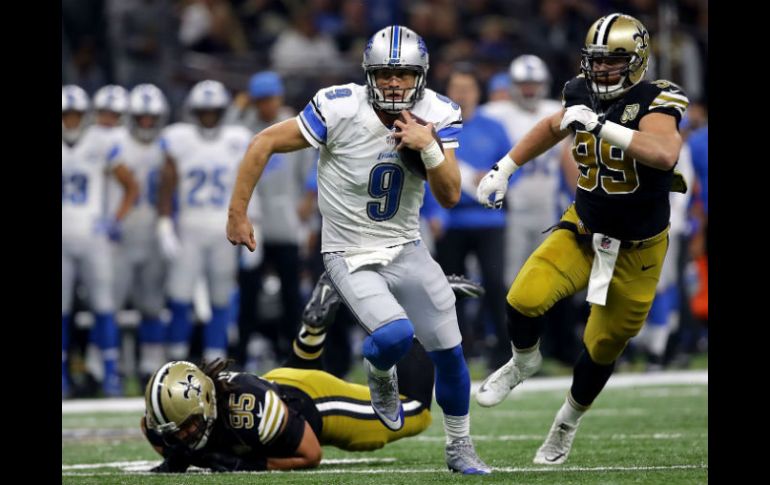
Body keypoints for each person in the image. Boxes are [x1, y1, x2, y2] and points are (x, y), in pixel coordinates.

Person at [226, 25, 490, 474]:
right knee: (393, 337)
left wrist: (428, 148)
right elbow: (264, 141)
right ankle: (380, 374)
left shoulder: (438, 113)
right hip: (347, 251)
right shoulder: (339, 107)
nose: (394, 83)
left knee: (450, 352)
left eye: (403, 74)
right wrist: (238, 212)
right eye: (385, 73)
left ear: (420, 75)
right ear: (369, 74)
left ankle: (460, 446)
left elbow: (449, 195)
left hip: (407, 246)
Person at [475, 13, 689, 465]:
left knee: (602, 346)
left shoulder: (659, 97)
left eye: (613, 61)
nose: (602, 70)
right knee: (522, 298)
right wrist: (505, 167)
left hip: (639, 249)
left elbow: (664, 153)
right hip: (584, 229)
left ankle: (567, 422)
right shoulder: (579, 91)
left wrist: (600, 126)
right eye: (596, 61)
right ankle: (522, 361)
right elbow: (555, 126)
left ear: (636, 60)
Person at [142, 272, 485, 473]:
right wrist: (189, 453)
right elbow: (154, 432)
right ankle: (312, 329)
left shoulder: (248, 413)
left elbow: (309, 454)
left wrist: (243, 464)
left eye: (187, 427)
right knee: (288, 387)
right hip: (282, 382)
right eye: (178, 429)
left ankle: (419, 303)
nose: (183, 435)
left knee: (415, 412)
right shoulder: (171, 423)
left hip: (315, 404)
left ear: (206, 403)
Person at [156, 80, 256, 364]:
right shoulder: (179, 139)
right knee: (179, 295)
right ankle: (175, 360)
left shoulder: (237, 139)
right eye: (204, 110)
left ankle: (217, 361)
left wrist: (252, 224)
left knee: (221, 297)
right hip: (189, 226)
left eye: (214, 110)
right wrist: (164, 222)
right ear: (193, 111)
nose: (209, 116)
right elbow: (167, 182)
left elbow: (249, 185)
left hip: (224, 228)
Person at [62, 85, 139, 397]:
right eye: (66, 114)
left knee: (104, 307)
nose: (71, 120)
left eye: (75, 114)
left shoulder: (102, 141)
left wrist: (114, 220)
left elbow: (131, 186)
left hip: (94, 236)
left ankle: (110, 375)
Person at [111, 84, 170, 385]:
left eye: (152, 118)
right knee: (111, 303)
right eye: (141, 118)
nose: (147, 123)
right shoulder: (116, 142)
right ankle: (115, 366)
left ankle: (151, 364)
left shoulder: (167, 144)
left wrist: (169, 223)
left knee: (151, 304)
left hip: (152, 231)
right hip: (119, 234)